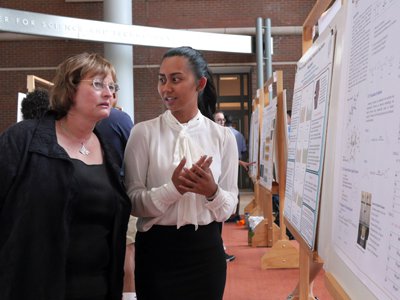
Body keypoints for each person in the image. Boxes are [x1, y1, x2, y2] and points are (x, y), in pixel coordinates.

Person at [0, 52, 131, 300]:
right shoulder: (23, 139)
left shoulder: (109, 151)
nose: (108, 93)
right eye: (97, 84)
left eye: (112, 86)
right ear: (70, 89)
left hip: (97, 287)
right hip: (33, 286)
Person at [124, 46, 239, 300]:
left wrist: (212, 192)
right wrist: (172, 190)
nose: (166, 88)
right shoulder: (143, 133)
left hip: (205, 252)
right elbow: (132, 202)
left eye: (176, 79)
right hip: (156, 252)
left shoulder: (222, 137)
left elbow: (229, 207)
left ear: (200, 83)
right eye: (161, 79)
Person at [96, 96, 137, 300]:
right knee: (127, 248)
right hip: (121, 192)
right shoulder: (119, 119)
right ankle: (129, 296)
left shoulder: (76, 119)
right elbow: (134, 153)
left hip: (93, 192)